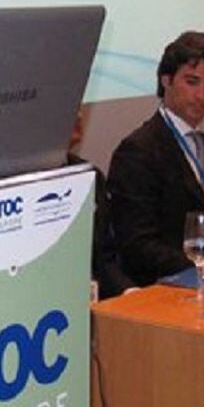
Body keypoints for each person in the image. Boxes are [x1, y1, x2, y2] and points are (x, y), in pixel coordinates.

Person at [107, 31, 204, 286]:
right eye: (192, 82)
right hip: (178, 283)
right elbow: (138, 246)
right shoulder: (138, 151)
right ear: (166, 80)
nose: (202, 95)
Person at [67, 106, 133, 298]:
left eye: (81, 108)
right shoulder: (21, 182)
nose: (79, 115)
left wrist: (129, 292)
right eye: (72, 107)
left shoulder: (91, 176)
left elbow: (103, 260)